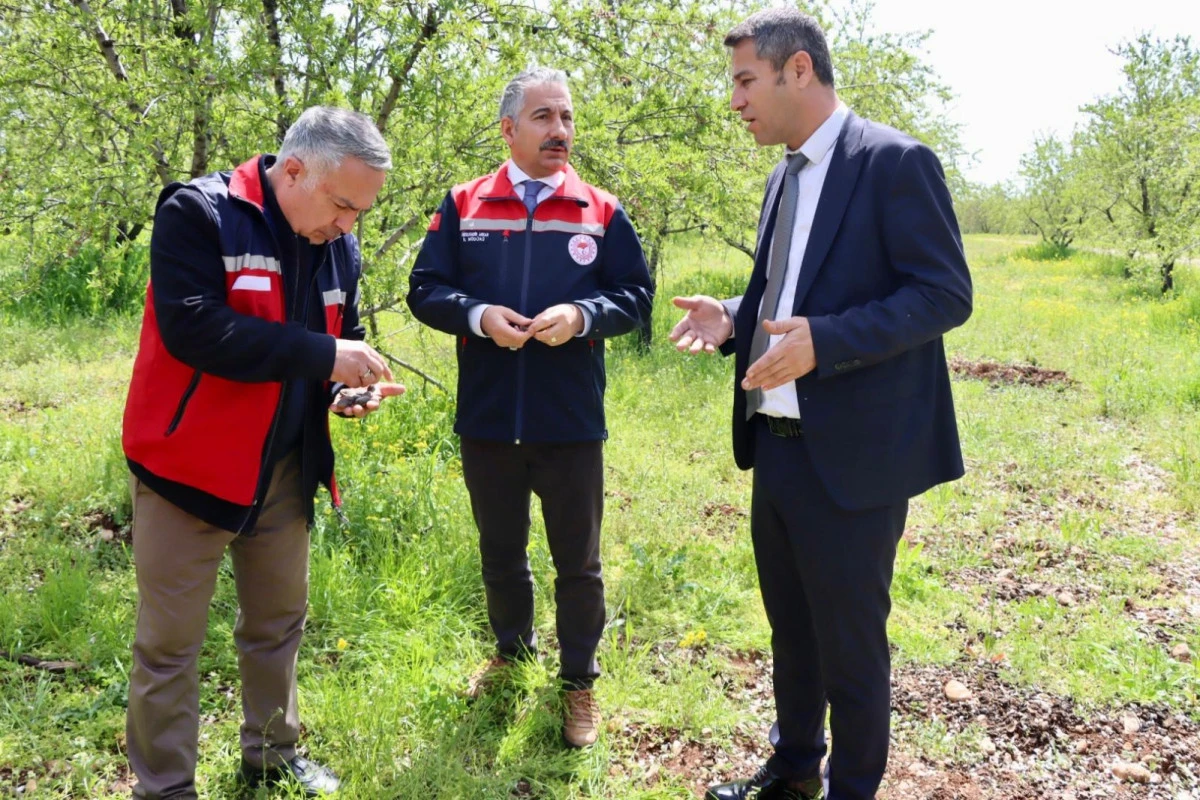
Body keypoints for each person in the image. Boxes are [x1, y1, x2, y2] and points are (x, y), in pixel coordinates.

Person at [669, 9, 973, 800]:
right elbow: (790, 291)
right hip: (778, 443)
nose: (734, 100)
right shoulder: (784, 172)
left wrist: (827, 341)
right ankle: (795, 769)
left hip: (858, 456)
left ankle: (853, 789)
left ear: (796, 69)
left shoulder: (895, 162)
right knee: (792, 631)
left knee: (851, 644)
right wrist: (736, 317)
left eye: (744, 81)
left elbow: (944, 294)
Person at [121, 106, 403, 799]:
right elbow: (195, 328)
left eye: (361, 211)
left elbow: (342, 337)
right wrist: (324, 355)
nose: (349, 224)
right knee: (169, 646)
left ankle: (272, 755)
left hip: (282, 471)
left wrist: (345, 391)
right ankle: (164, 787)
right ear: (296, 169)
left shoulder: (340, 243)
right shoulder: (200, 213)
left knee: (277, 625)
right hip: (187, 467)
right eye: (343, 205)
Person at [407, 67, 653, 749]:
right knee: (500, 552)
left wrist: (582, 314)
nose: (561, 131)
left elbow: (634, 298)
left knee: (579, 561)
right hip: (488, 417)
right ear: (509, 129)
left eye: (568, 118)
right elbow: (425, 289)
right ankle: (511, 656)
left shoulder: (600, 210)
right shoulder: (464, 205)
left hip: (571, 421)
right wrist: (479, 314)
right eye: (544, 117)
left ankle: (579, 683)